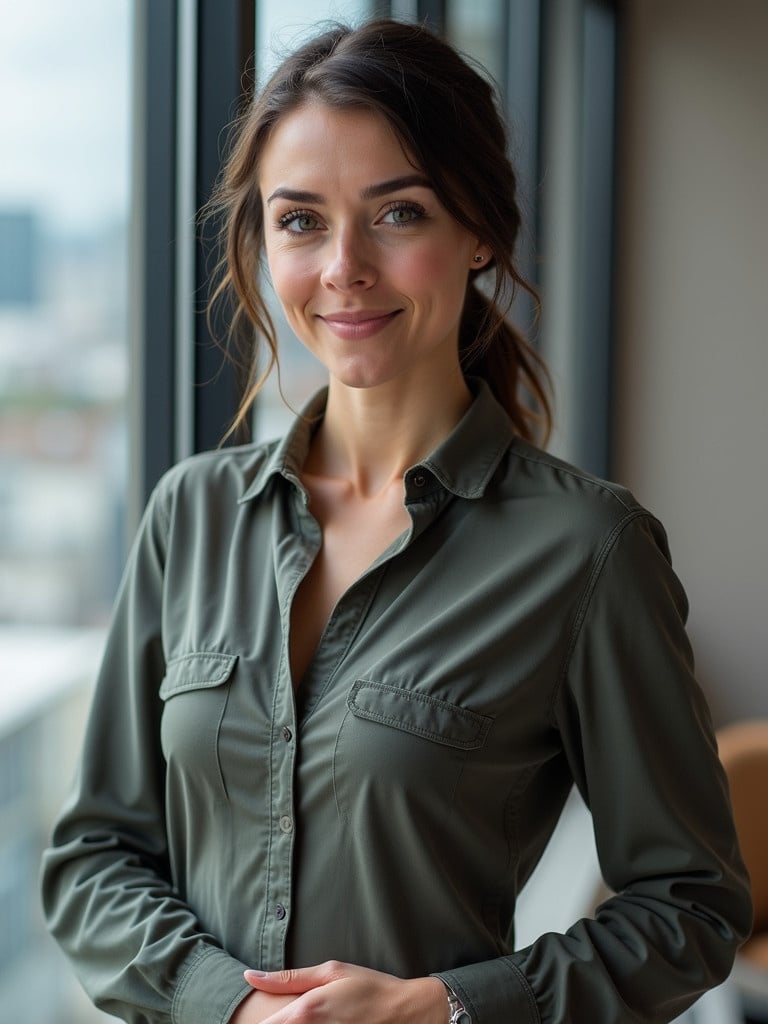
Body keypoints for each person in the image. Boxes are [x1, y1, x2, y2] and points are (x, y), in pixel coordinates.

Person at [41, 18, 751, 1024]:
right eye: (300, 221)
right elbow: (92, 859)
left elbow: (693, 904)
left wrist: (444, 1007)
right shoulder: (189, 514)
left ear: (478, 234)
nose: (343, 268)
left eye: (397, 214)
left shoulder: (588, 551)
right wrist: (230, 1007)